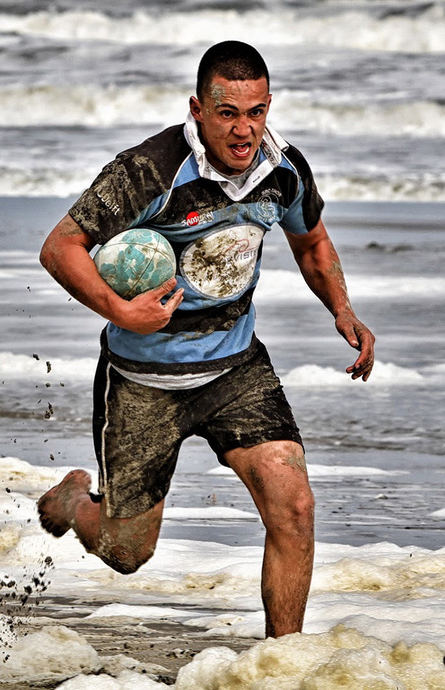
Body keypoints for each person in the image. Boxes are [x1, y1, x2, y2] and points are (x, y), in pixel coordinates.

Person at [37, 40, 375, 639]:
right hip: (143, 383)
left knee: (293, 505)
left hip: (235, 369)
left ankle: (283, 663)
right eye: (227, 113)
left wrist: (342, 309)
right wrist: (121, 309)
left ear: (268, 107)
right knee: (126, 552)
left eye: (256, 112)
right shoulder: (149, 172)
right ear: (198, 109)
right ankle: (73, 502)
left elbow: (312, 241)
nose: (244, 130)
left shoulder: (284, 169)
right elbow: (60, 247)